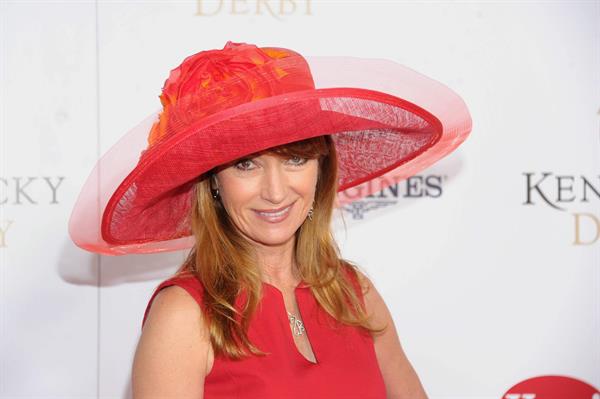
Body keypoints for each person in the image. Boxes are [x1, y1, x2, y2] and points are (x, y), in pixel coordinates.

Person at [69, 41, 472, 398]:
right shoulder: (185, 315)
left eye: (295, 159)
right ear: (213, 184)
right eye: (246, 165)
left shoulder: (354, 294)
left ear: (321, 168)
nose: (276, 192)